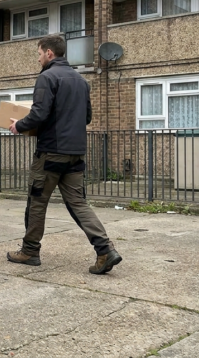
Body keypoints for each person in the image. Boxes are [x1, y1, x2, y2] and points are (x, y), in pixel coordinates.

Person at [7, 35, 122, 275]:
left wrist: (19, 125)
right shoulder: (81, 81)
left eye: (39, 54)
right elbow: (87, 118)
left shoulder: (47, 77)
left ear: (49, 53)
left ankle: (29, 252)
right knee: (79, 204)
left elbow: (38, 114)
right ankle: (105, 250)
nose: (38, 59)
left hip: (50, 153)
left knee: (37, 202)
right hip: (76, 154)